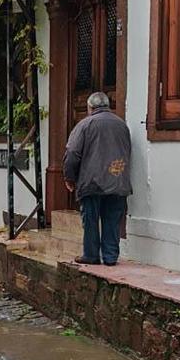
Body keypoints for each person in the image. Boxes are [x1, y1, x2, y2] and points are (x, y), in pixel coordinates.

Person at [63, 92, 132, 266]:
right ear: (108, 106)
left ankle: (91, 255)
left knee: (90, 220)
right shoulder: (122, 125)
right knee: (112, 219)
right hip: (117, 180)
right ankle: (110, 257)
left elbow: (72, 153)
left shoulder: (85, 125)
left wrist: (69, 177)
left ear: (90, 107)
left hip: (92, 182)